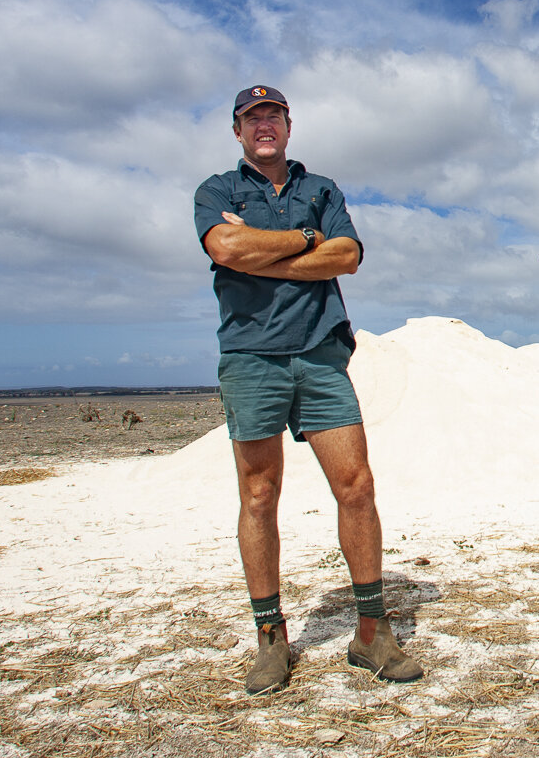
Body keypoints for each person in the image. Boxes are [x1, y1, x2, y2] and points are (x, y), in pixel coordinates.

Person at [194, 84, 423, 694]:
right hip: (251, 356)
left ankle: (371, 633)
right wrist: (305, 240)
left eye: (274, 116)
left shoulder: (320, 189)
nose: (263, 125)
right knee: (260, 493)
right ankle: (272, 641)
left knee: (357, 485)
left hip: (322, 355)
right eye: (252, 117)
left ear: (288, 126)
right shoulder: (217, 192)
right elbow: (226, 245)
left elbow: (347, 255)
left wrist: (268, 253)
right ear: (238, 130)